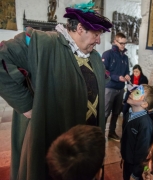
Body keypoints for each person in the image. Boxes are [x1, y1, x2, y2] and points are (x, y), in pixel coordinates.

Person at [0, 2, 112, 180]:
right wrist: (27, 105)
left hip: (84, 148)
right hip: (54, 139)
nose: (99, 41)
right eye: (96, 34)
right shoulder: (41, 43)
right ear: (81, 28)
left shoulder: (94, 57)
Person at [120, 84, 153, 180]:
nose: (132, 93)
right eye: (134, 90)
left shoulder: (145, 124)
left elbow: (142, 151)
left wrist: (136, 173)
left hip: (135, 167)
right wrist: (124, 155)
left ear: (144, 104)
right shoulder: (128, 114)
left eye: (137, 93)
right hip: (127, 160)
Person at [102, 32, 130, 141]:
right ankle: (101, 133)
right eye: (121, 43)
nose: (123, 45)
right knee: (105, 112)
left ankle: (111, 133)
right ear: (115, 41)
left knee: (116, 112)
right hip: (109, 87)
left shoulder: (125, 57)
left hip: (120, 88)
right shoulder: (107, 54)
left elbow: (127, 71)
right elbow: (104, 72)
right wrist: (117, 78)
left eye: (124, 43)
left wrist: (127, 75)